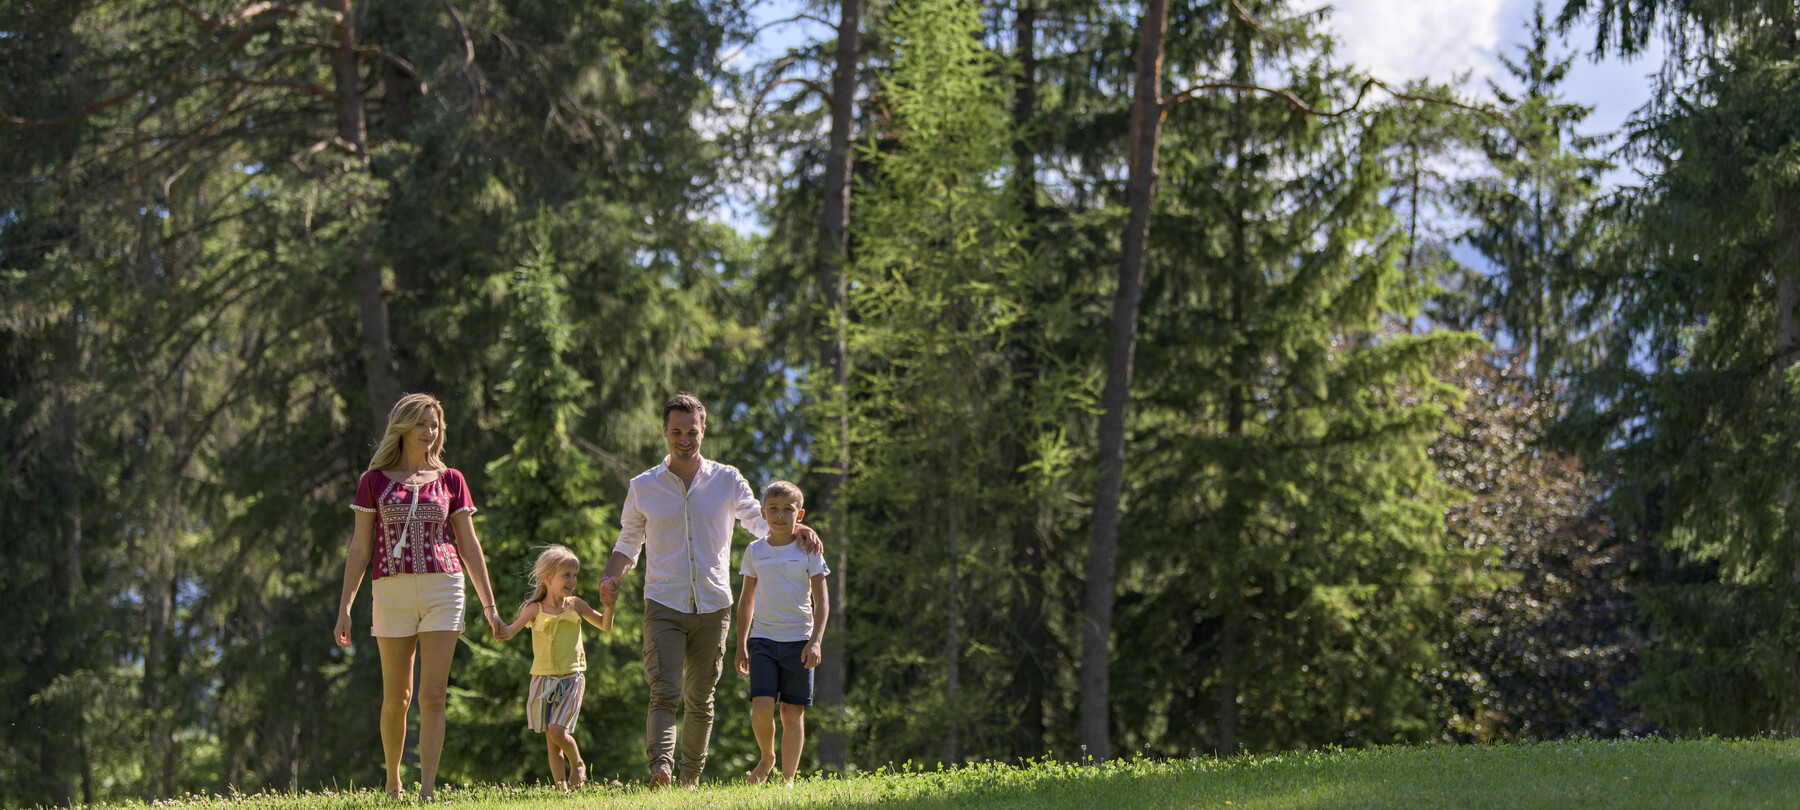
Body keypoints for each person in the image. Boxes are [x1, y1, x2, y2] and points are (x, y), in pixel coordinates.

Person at [596, 393, 823, 787]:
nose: (685, 439)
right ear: (665, 431)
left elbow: (757, 518)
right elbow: (628, 541)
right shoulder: (643, 486)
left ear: (704, 430)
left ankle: (689, 779)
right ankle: (660, 769)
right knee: (664, 690)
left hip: (713, 605)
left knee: (700, 698)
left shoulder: (727, 480)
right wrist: (610, 577)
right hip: (663, 601)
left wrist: (796, 528)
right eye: (677, 432)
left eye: (692, 432)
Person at [332, 393, 504, 800]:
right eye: (423, 424)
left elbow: (470, 546)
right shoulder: (373, 481)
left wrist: (490, 607)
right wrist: (345, 607)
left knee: (433, 695)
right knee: (398, 697)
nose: (430, 432)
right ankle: (393, 781)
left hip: (444, 586)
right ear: (403, 427)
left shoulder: (451, 480)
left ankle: (426, 789)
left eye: (435, 425)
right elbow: (359, 549)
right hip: (389, 591)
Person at [494, 544, 612, 793]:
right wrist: (498, 626)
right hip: (542, 679)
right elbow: (510, 632)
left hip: (571, 677)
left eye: (574, 575)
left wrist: (609, 605)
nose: (572, 580)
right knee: (551, 741)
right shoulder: (534, 609)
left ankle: (577, 762)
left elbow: (604, 624)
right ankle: (561, 790)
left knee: (557, 731)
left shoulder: (575, 605)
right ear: (547, 578)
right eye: (566, 575)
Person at [734, 481, 829, 785]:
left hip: (799, 642)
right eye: (773, 509)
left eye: (787, 509)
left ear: (799, 514)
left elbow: (822, 600)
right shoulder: (754, 551)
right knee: (762, 705)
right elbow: (746, 599)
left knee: (791, 712)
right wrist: (741, 644)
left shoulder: (809, 550)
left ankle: (788, 780)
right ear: (762, 513)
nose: (779, 515)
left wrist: (815, 641)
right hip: (762, 641)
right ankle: (767, 757)